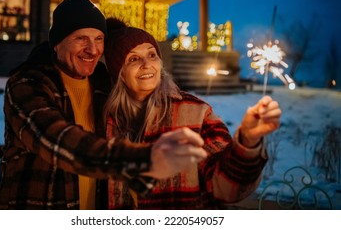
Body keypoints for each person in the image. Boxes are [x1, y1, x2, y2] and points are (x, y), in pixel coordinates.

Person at [0, 0, 207, 210]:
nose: (93, 49)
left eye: (98, 39)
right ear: (57, 44)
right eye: (81, 39)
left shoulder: (102, 83)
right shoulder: (27, 83)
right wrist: (140, 159)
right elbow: (57, 140)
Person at [102, 18, 282, 209]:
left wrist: (247, 141)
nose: (147, 64)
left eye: (152, 55)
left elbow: (228, 186)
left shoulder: (195, 112)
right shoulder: (106, 120)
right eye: (133, 59)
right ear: (118, 72)